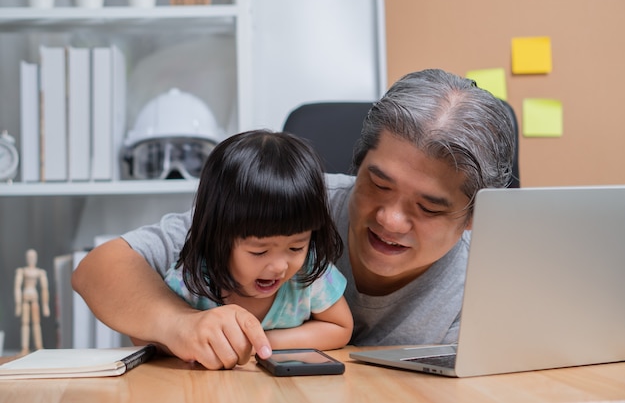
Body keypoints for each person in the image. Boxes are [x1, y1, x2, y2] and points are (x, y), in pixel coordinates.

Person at [73, 68, 515, 369]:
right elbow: (101, 268)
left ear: (475, 214)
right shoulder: (293, 207)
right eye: (378, 185)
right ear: (356, 166)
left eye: (429, 207)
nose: (391, 219)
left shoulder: (492, 282)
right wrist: (179, 323)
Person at [160, 130, 352, 360]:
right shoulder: (192, 279)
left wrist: (261, 343)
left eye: (296, 248)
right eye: (259, 251)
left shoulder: (308, 272)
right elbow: (149, 336)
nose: (280, 267)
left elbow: (341, 327)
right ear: (218, 238)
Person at [15, 249, 50, 354]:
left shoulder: (40, 272)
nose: (31, 259)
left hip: (34, 298)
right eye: (29, 257)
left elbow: (45, 289)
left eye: (33, 257)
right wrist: (18, 304)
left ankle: (39, 346)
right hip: (25, 298)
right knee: (25, 323)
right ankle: (24, 347)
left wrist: (45, 305)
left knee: (36, 323)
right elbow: (17, 287)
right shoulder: (22, 271)